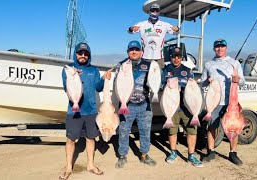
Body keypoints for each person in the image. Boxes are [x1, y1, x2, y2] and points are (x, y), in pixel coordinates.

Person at [60, 42, 111, 179]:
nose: (83, 55)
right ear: (75, 54)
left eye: (85, 53)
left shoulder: (93, 70)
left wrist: (103, 79)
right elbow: (66, 88)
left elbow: (98, 87)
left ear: (89, 55)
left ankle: (90, 165)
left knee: (91, 138)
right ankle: (69, 167)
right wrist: (74, 76)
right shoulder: (68, 70)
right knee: (71, 139)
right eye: (80, 53)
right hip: (74, 111)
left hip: (91, 111)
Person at [200, 39, 246, 165]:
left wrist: (237, 80)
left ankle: (233, 153)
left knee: (233, 128)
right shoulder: (208, 64)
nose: (220, 49)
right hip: (214, 102)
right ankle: (211, 152)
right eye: (217, 47)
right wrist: (207, 81)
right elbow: (203, 83)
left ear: (226, 48)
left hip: (231, 102)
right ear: (214, 49)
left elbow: (243, 82)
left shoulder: (234, 63)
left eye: (222, 46)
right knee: (212, 127)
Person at [114, 40, 156, 168]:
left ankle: (144, 154)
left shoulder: (149, 65)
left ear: (141, 52)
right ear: (127, 52)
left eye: (136, 49)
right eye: (131, 50)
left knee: (145, 130)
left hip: (144, 104)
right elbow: (117, 84)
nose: (134, 52)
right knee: (123, 130)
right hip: (127, 104)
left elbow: (156, 79)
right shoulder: (121, 65)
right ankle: (122, 155)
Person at [161, 47, 203, 167]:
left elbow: (193, 89)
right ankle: (173, 152)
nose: (176, 59)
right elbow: (160, 86)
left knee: (191, 131)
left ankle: (191, 155)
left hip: (187, 107)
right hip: (171, 106)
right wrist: (165, 85)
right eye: (174, 56)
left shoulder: (188, 70)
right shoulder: (165, 70)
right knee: (172, 130)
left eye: (178, 57)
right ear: (171, 57)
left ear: (182, 58)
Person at [128, 3, 180, 69]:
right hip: (145, 57)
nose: (155, 12)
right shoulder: (142, 24)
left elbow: (176, 33)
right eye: (153, 10)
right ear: (149, 12)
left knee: (159, 77)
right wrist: (131, 28)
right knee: (144, 77)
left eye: (157, 10)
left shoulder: (164, 24)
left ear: (159, 12)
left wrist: (177, 29)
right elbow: (130, 31)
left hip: (159, 58)